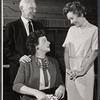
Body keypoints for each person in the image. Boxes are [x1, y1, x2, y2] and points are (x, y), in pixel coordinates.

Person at [3, 0, 43, 99]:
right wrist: (20, 58)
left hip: (36, 72)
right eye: (31, 8)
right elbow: (7, 49)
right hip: (18, 72)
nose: (34, 11)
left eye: (35, 9)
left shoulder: (39, 26)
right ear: (21, 9)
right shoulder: (11, 27)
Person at [13, 30, 65, 100]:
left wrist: (62, 87)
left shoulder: (54, 62)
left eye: (47, 40)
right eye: (44, 41)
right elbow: (16, 85)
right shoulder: (26, 62)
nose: (49, 42)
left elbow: (60, 82)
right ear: (36, 46)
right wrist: (37, 93)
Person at [62, 1, 98, 100]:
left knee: (84, 96)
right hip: (70, 69)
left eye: (72, 18)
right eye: (69, 19)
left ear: (81, 14)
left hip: (85, 68)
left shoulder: (94, 30)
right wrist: (68, 69)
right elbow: (66, 51)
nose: (71, 22)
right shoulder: (71, 30)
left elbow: (95, 52)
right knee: (71, 96)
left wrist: (82, 71)